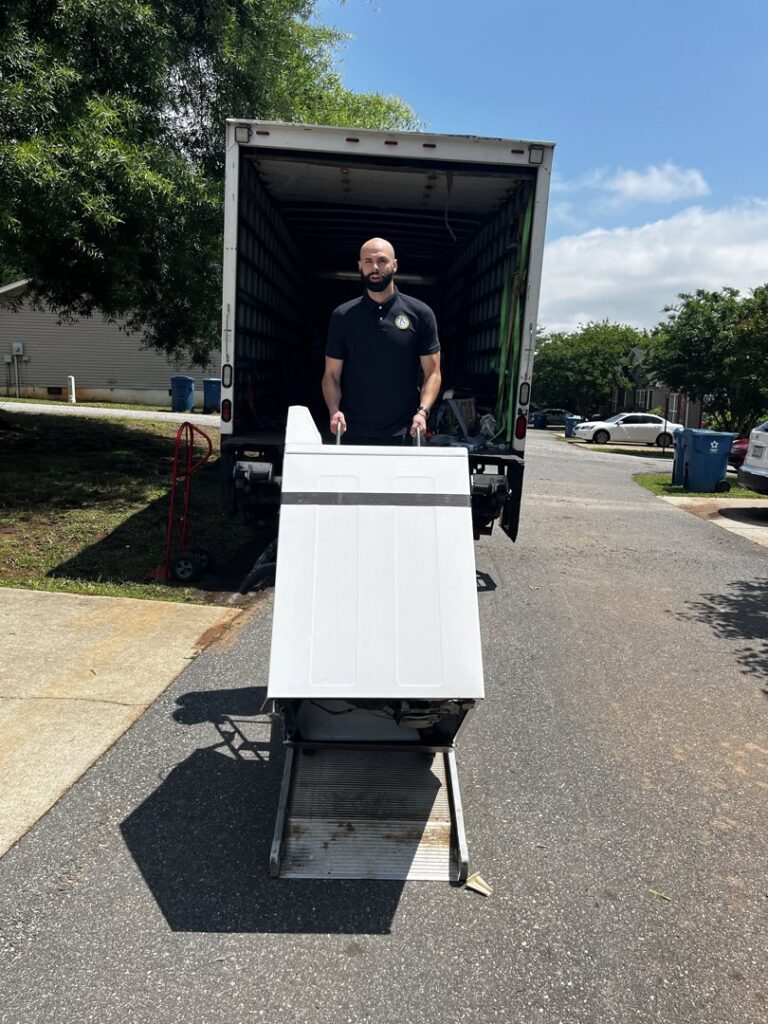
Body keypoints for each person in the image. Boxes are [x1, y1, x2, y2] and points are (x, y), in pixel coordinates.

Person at [322, 238, 441, 444]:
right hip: (353, 432)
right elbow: (331, 374)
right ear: (360, 266)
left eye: (382, 261)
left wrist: (422, 413)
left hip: (404, 432)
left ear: (394, 265)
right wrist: (334, 410)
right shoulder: (343, 316)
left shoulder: (420, 313)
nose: (374, 268)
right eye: (368, 261)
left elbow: (433, 373)